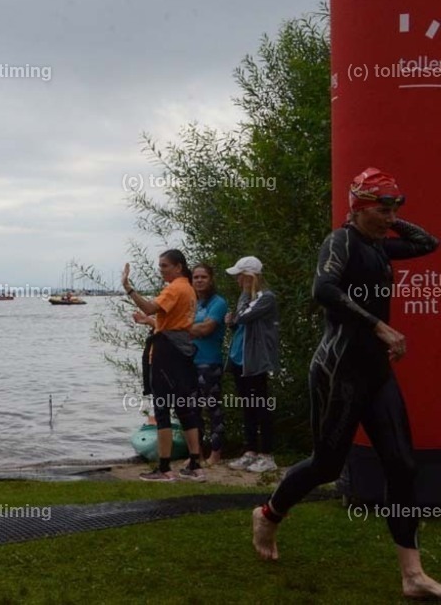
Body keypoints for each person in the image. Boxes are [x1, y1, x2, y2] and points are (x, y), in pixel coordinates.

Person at [251, 168, 441, 600]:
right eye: (382, 207)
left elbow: (428, 243)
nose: (390, 215)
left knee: (403, 466)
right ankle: (268, 514)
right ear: (356, 207)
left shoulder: (380, 246)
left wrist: (390, 216)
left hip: (375, 373)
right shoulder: (340, 243)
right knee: (326, 465)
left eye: (394, 207)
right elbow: (323, 289)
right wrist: (379, 326)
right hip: (338, 371)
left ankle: (412, 574)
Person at [123, 250, 206, 481]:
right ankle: (195, 465)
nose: (161, 270)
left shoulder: (175, 288)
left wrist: (128, 288)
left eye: (165, 266)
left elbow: (150, 307)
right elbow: (174, 323)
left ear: (179, 267)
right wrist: (150, 322)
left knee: (162, 410)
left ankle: (164, 468)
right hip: (182, 352)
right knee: (184, 408)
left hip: (166, 354)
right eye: (160, 266)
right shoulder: (188, 289)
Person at [223, 256, 280, 474]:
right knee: (248, 407)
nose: (237, 280)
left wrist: (245, 296)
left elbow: (243, 316)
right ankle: (250, 451)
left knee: (260, 406)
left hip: (255, 361)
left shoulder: (266, 298)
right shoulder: (251, 298)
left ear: (249, 277)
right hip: (240, 359)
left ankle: (267, 454)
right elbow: (238, 323)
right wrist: (232, 322)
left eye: (240, 276)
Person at [189, 264, 229, 465]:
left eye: (203, 276)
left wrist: (180, 328)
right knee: (191, 409)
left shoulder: (218, 302)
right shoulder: (191, 302)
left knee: (212, 408)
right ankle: (196, 454)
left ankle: (216, 452)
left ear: (211, 279)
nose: (199, 280)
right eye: (196, 277)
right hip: (189, 362)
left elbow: (206, 329)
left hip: (209, 362)